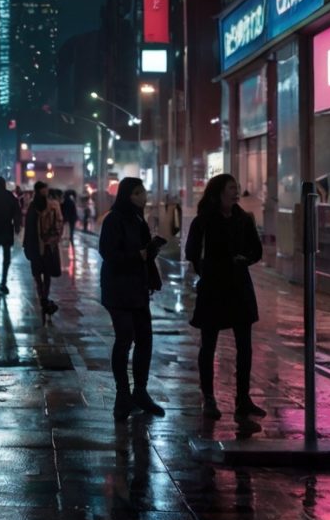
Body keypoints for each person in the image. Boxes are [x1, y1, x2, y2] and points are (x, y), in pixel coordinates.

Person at [185, 173, 266, 422]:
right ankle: (209, 397)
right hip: (213, 288)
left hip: (239, 287)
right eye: (231, 188)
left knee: (245, 346)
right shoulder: (203, 221)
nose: (236, 192)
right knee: (208, 344)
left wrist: (245, 259)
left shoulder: (243, 219)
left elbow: (257, 250)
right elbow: (192, 251)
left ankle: (243, 399)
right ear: (218, 192)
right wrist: (208, 269)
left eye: (236, 187)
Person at [99, 177, 166, 420]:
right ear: (127, 195)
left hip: (138, 288)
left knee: (145, 339)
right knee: (124, 338)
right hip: (118, 289)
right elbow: (108, 253)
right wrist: (137, 255)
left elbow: (143, 253)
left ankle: (140, 391)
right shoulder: (114, 219)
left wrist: (150, 252)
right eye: (137, 193)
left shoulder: (139, 219)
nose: (142, 196)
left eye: (143, 192)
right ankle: (122, 394)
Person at [23, 181, 59, 316]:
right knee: (40, 276)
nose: (46, 192)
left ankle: (44, 299)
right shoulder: (36, 207)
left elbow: (58, 224)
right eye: (44, 189)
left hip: (44, 246)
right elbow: (28, 227)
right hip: (38, 246)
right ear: (39, 190)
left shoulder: (49, 206)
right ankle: (44, 300)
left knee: (44, 275)